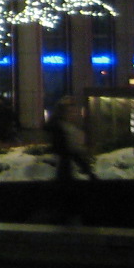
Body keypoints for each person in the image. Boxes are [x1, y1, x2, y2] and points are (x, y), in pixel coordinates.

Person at [47, 95, 94, 224]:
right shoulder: (64, 128)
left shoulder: (66, 127)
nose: (74, 113)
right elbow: (68, 149)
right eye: (70, 110)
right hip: (68, 167)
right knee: (69, 196)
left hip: (69, 167)